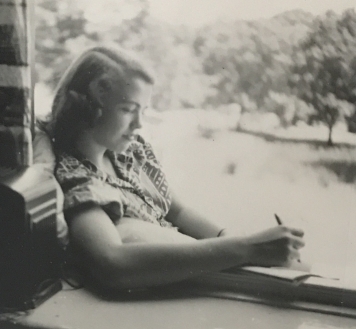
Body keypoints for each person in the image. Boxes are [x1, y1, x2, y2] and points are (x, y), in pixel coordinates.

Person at [41, 46, 305, 290]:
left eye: (143, 110)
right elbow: (113, 263)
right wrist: (249, 249)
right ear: (89, 106)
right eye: (128, 109)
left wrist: (228, 237)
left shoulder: (130, 153)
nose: (139, 123)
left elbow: (176, 210)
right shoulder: (79, 179)